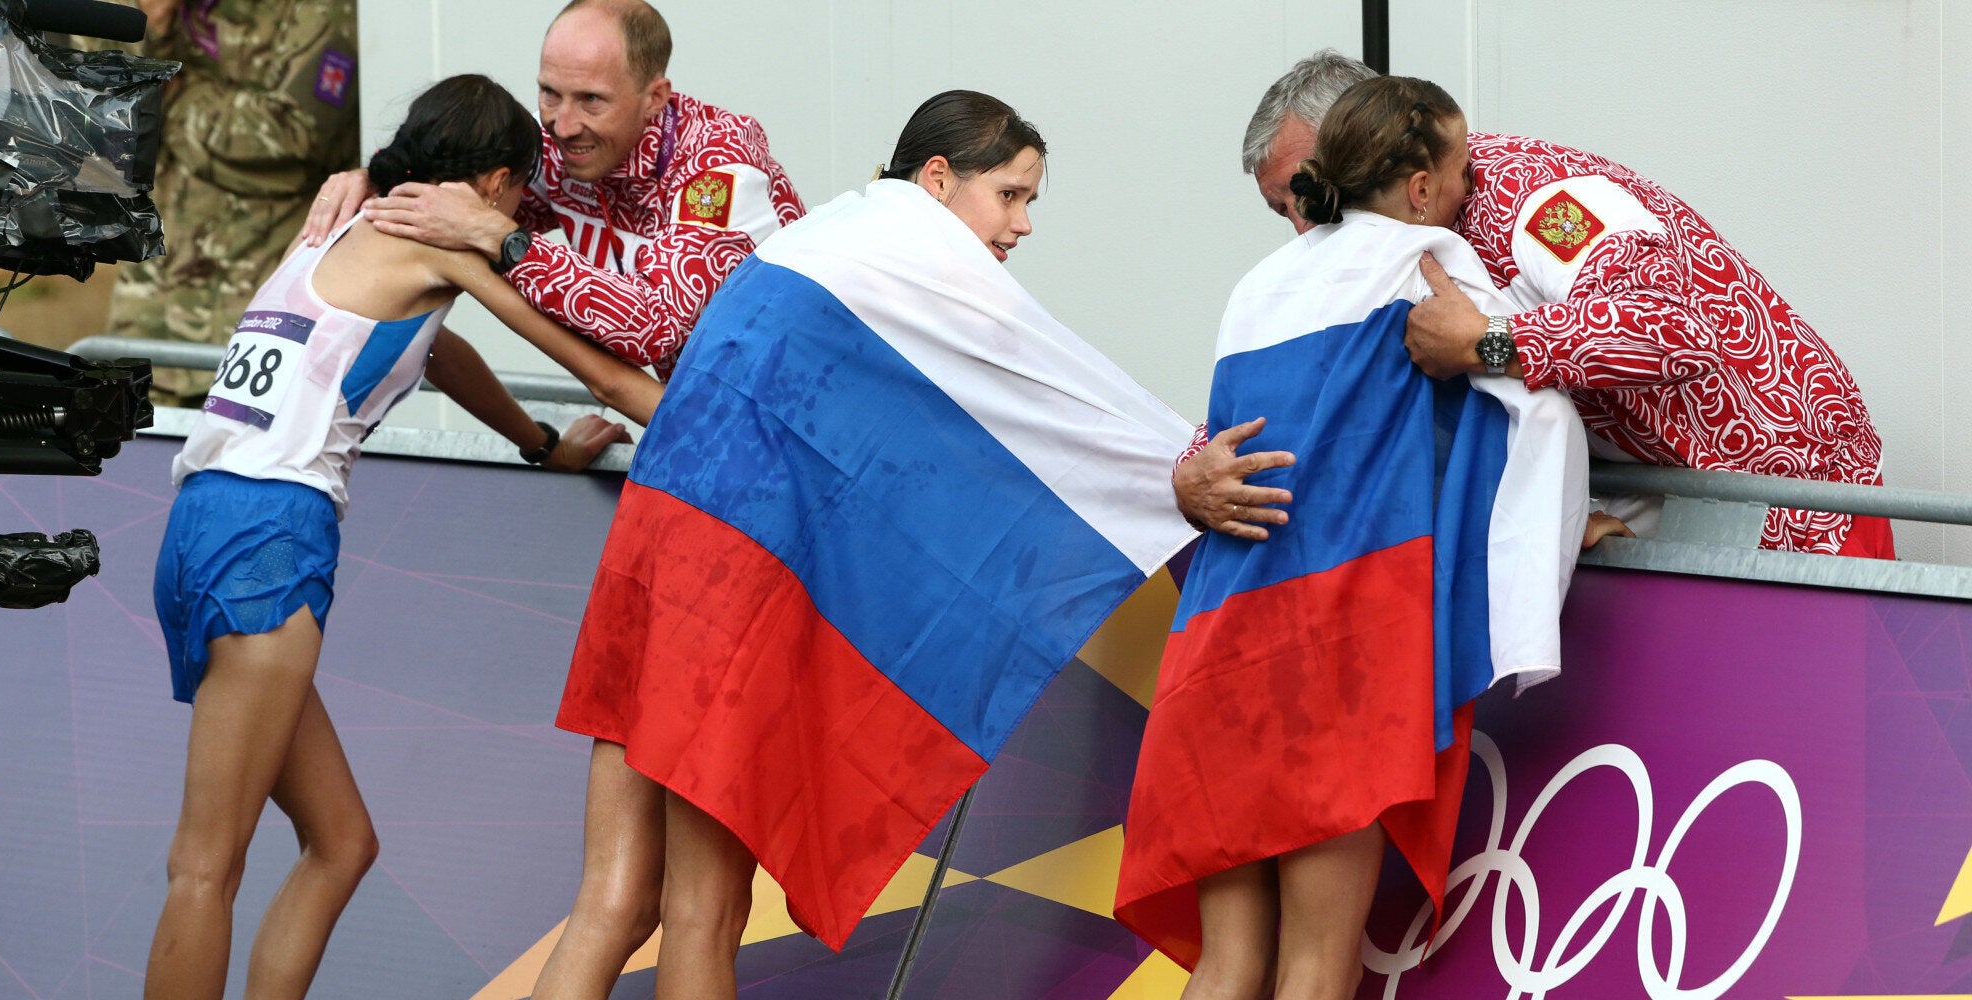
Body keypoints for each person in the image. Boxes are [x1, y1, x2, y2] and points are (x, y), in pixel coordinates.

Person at [533, 90, 1197, 1000]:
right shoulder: (920, 251)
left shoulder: (828, 234)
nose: (1022, 224)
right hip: (728, 588)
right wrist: (1185, 460)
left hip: (652, 568)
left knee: (612, 898)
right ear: (938, 179)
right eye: (1009, 195)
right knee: (704, 910)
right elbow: (1060, 385)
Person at [143, 75, 663, 1000]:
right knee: (205, 866)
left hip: (197, 525)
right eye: (521, 192)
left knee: (342, 843)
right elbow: (604, 375)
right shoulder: (441, 249)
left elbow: (440, 353)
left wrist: (538, 442)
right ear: (496, 182)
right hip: (270, 536)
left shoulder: (342, 224)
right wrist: (724, 430)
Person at [1117, 76, 1586, 1000]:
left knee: (1227, 962)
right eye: (1462, 170)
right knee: (1317, 965)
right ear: (1419, 186)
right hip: (1336, 650)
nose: (1472, 187)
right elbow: (1538, 413)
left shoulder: (1257, 286)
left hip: (1219, 643)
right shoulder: (1430, 259)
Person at [1183, 49, 1891, 558]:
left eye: (1312, 192)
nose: (1307, 225)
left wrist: (1486, 341)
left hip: (1786, 493)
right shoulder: (1368, 248)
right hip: (1649, 500)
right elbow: (1307, 395)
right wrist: (1195, 472)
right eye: (1286, 209)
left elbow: (1675, 328)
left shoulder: (1535, 198)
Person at [304, 0, 803, 386]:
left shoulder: (717, 164)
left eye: (591, 99)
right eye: (549, 93)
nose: (562, 126)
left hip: (805, 409)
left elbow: (652, 329)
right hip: (715, 414)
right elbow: (457, 194)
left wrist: (502, 238)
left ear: (655, 97)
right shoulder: (563, 145)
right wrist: (375, 179)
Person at [107, 0, 363, 407]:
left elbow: (294, 140)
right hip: (149, 308)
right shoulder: (155, 8)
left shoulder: (317, 11)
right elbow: (99, 117)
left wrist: (174, 93)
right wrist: (153, 32)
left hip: (253, 313)